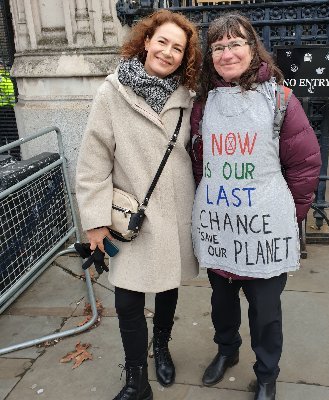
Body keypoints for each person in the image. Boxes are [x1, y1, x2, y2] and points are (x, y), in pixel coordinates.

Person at [190, 14, 321, 400]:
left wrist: (288, 216)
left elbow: (305, 163)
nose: (227, 54)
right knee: (221, 304)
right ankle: (227, 350)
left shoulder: (279, 98)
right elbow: (200, 163)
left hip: (264, 231)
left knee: (265, 313)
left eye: (235, 44)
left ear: (252, 48)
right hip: (220, 228)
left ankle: (266, 374)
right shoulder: (203, 102)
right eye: (218, 47)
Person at [75, 10, 201, 400]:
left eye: (177, 48)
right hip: (133, 216)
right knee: (128, 300)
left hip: (176, 211)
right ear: (146, 41)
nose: (167, 52)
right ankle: (136, 380)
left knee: (167, 289)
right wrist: (95, 223)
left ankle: (161, 347)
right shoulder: (111, 93)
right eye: (161, 41)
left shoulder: (189, 97)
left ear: (184, 57)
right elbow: (93, 162)